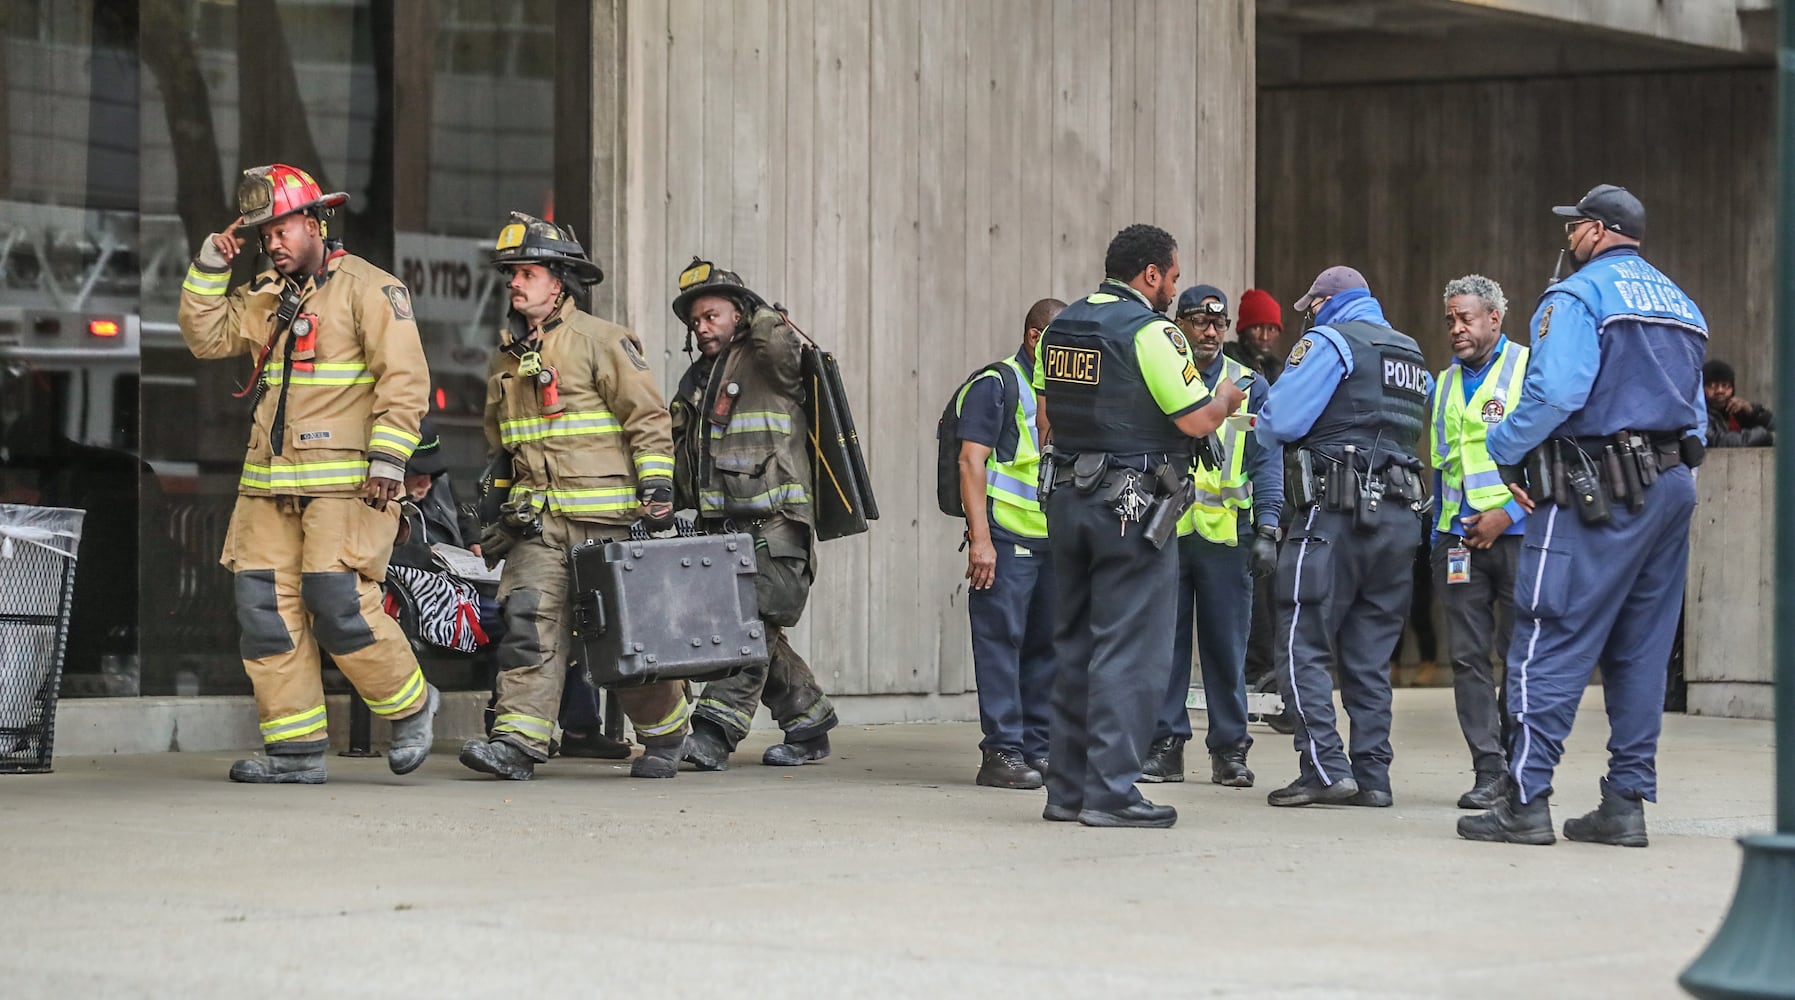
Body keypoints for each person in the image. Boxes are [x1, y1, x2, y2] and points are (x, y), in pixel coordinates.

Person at [1460, 184, 1705, 848]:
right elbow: (1697, 417)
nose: (1566, 238)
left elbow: (1559, 389)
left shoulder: (1576, 296)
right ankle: (1624, 804)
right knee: (1642, 649)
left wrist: (1503, 448)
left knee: (1548, 633)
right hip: (1669, 487)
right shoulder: (1681, 304)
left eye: (1573, 228)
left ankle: (1524, 801)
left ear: (1597, 231)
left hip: (1595, 491)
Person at [178, 163, 438, 783]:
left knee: (339, 603)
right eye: (265, 234)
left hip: (346, 486)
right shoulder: (269, 294)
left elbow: (405, 381)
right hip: (268, 486)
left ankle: (411, 705)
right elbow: (205, 337)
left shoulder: (371, 290)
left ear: (318, 223)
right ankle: (294, 753)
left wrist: (388, 461)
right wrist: (212, 266)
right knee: (264, 611)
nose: (272, 242)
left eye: (283, 229)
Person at [458, 212, 690, 781]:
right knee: (526, 628)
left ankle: (667, 735)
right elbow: (502, 447)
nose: (514, 282)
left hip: (605, 523)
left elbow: (649, 420)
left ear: (560, 280)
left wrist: (657, 487)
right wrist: (497, 510)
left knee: (623, 641)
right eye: (510, 272)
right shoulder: (506, 359)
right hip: (538, 527)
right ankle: (517, 744)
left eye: (527, 271)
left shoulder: (603, 342)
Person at [1033, 224, 1247, 829]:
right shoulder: (1152, 332)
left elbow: (1047, 415)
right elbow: (1195, 420)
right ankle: (1110, 793)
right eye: (1173, 277)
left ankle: (1066, 790)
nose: (1172, 289)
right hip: (1128, 509)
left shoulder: (1063, 325)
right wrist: (1227, 397)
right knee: (1129, 651)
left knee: (1073, 643)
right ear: (1150, 273)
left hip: (1068, 500)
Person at [1256, 265, 1431, 809]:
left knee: (1300, 639)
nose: (1308, 312)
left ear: (1327, 302)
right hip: (1399, 518)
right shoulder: (1409, 352)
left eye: (1312, 304)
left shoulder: (1330, 339)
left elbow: (1279, 420)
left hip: (1332, 515)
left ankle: (1325, 767)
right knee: (1370, 652)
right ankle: (1373, 776)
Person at [668, 259, 839, 771]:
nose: (701, 328)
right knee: (755, 633)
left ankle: (712, 735)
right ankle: (808, 720)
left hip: (775, 526)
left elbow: (785, 349)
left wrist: (760, 311)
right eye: (695, 321)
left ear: (739, 313)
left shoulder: (770, 361)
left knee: (746, 631)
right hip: (722, 534)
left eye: (712, 315)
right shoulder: (697, 379)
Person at [1141, 284, 1282, 788]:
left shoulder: (1248, 382)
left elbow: (1267, 459)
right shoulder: (1164, 375)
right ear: (1180, 324)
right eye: (1200, 321)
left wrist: (1267, 525)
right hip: (1169, 536)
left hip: (1227, 539)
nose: (1210, 331)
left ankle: (1229, 751)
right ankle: (1165, 746)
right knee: (1167, 648)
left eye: (1218, 324)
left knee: (1228, 649)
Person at [1427, 274, 1530, 810]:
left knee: (1519, 658)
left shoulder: (1527, 368)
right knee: (1468, 659)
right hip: (1458, 540)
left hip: (1516, 539)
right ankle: (1488, 769)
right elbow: (1444, 468)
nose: (1456, 328)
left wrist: (1506, 512)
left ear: (1495, 318)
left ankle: (1519, 767)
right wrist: (1441, 538)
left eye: (1465, 317)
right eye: (1450, 319)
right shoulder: (1441, 384)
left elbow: (1549, 456)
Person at [956, 298, 1064, 789]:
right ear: (1034, 338)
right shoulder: (996, 384)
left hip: (1050, 541)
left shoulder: (1058, 391)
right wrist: (981, 540)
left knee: (1045, 647)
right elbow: (969, 462)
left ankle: (1036, 749)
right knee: (1002, 645)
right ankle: (1001, 751)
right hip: (1004, 536)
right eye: (1060, 345)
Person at [1702, 360, 1773, 447]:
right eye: (1712, 386)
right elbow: (1718, 441)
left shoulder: (1736, 411)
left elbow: (1780, 427)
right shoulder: (1699, 415)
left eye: (1725, 385)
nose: (1719, 391)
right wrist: (1765, 436)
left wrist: (1752, 411)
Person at [1225, 288, 1287, 384]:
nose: (1264, 337)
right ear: (1243, 330)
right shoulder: (1226, 362)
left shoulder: (1279, 370)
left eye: (1271, 329)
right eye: (1257, 328)